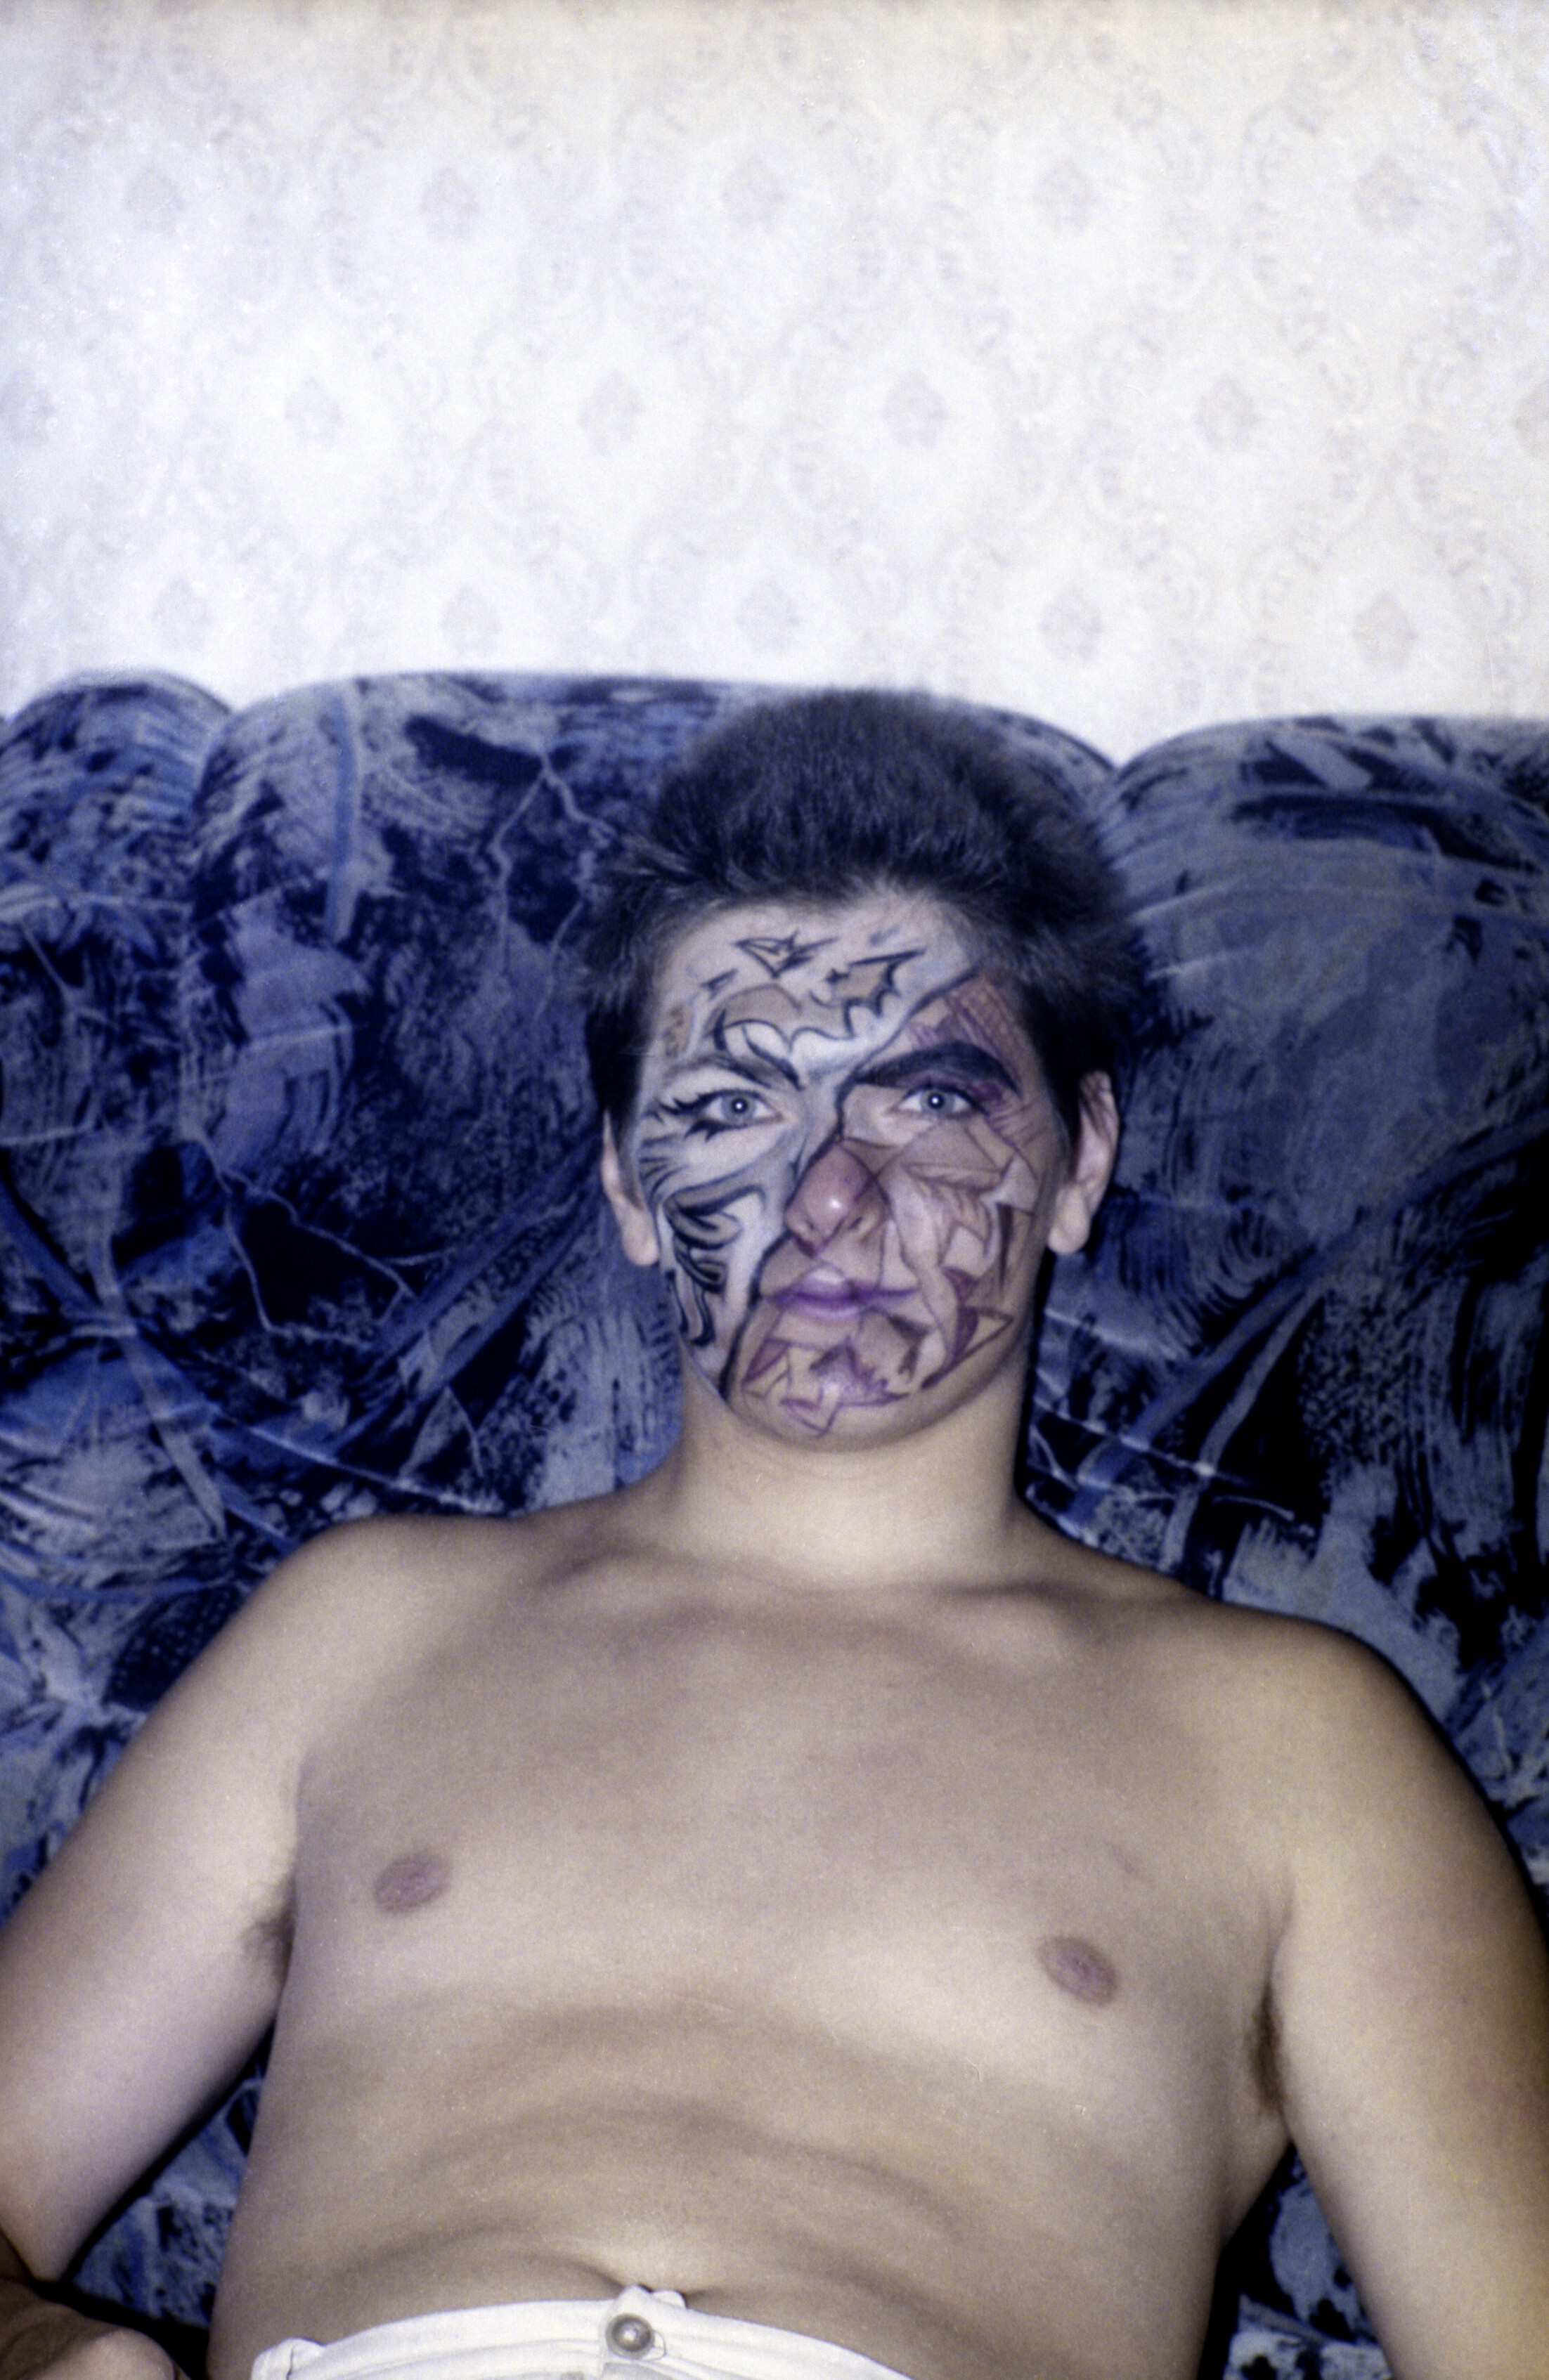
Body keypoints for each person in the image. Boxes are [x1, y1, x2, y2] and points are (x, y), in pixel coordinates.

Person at [0, 690, 1544, 2380]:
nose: (826, 1195)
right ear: (625, 1183)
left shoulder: (1295, 1739)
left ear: (1078, 1160)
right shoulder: (360, 1629)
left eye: (925, 1097)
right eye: (733, 1104)